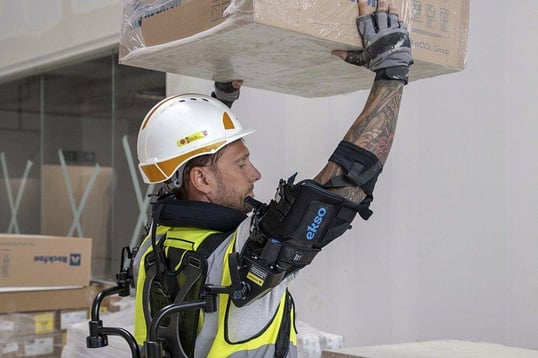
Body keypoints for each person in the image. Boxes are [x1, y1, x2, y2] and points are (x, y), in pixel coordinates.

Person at [132, 0, 413, 357]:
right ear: (201, 180)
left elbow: (175, 180)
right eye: (241, 163)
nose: (255, 173)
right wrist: (392, 71)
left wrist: (221, 103)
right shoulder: (238, 256)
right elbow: (343, 185)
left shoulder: (152, 243)